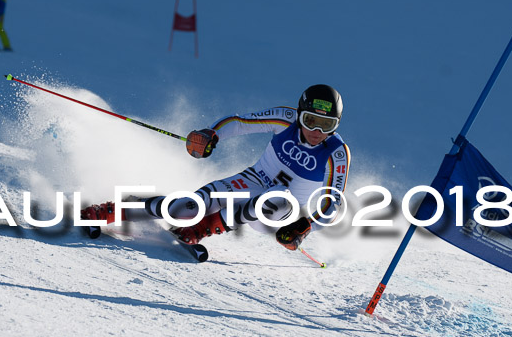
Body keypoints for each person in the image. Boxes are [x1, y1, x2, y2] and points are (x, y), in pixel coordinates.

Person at [82, 84, 351, 251]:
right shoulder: (286, 119)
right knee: (189, 207)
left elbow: (332, 205)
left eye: (326, 125)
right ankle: (115, 209)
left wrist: (305, 227)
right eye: (311, 120)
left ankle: (202, 229)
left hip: (280, 215)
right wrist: (212, 135)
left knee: (277, 199)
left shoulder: (336, 154)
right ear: (300, 113)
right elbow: (239, 121)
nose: (316, 131)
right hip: (253, 180)